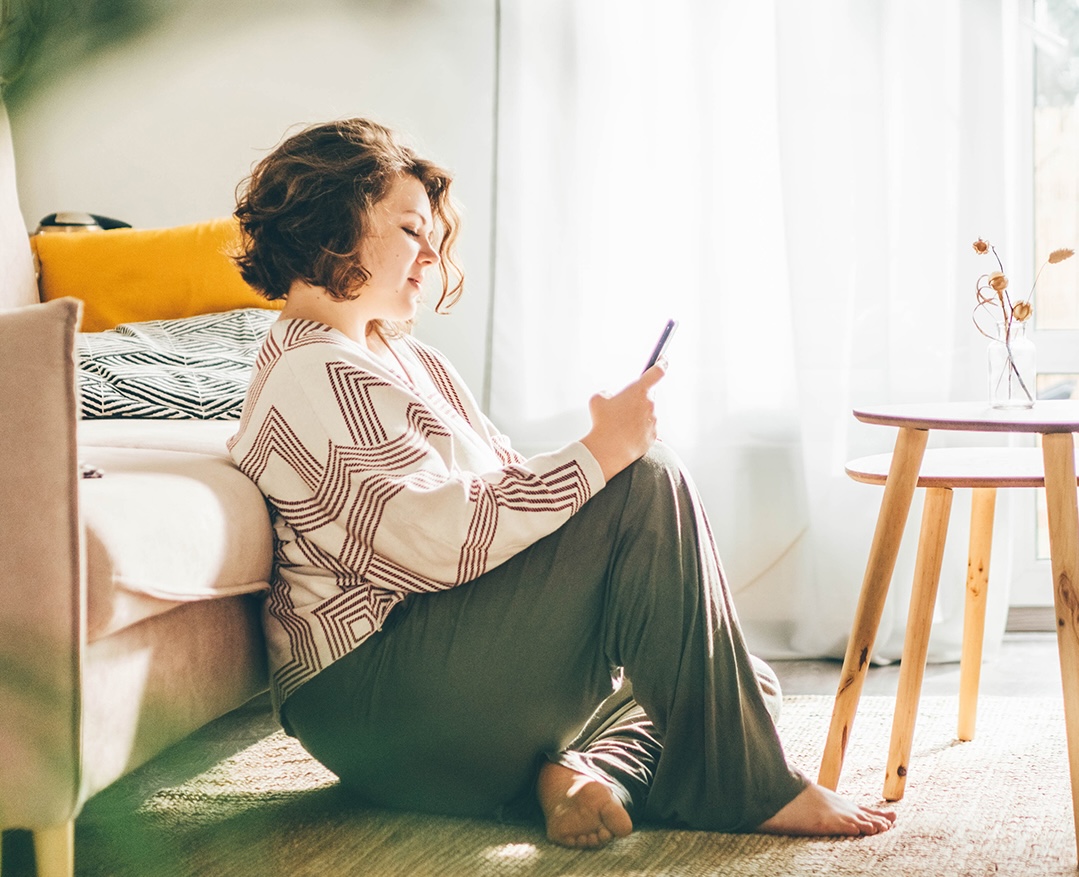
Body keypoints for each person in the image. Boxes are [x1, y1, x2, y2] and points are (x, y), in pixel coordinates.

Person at [227, 118, 895, 849]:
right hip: (376, 699)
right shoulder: (312, 370)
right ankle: (749, 787)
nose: (431, 253)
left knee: (735, 686)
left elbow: (497, 485)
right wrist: (599, 457)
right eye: (411, 229)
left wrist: (592, 461)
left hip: (431, 701)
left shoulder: (399, 357)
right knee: (643, 481)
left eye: (432, 235)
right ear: (336, 225)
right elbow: (428, 541)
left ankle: (582, 773)